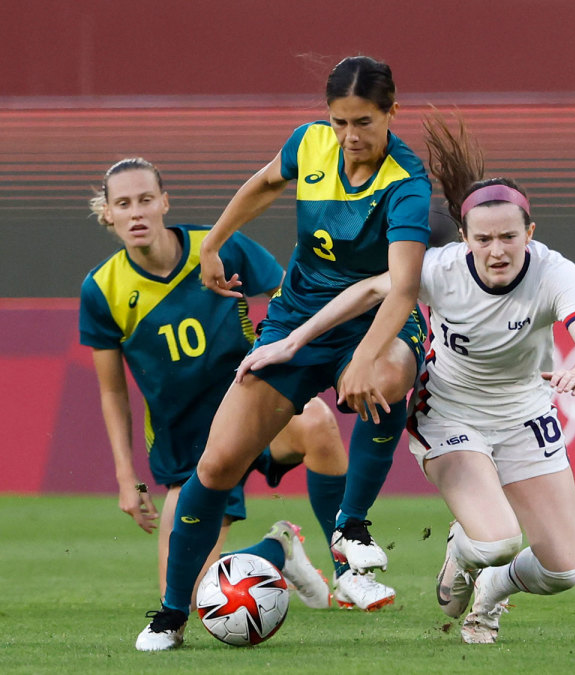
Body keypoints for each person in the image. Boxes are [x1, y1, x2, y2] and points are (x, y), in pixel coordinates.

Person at [239, 110, 575, 645]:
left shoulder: (555, 272)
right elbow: (368, 292)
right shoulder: (440, 268)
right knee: (497, 541)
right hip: (450, 412)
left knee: (562, 571)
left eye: (509, 237)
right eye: (482, 239)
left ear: (529, 232)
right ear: (464, 236)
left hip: (524, 413)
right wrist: (294, 339)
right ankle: (465, 555)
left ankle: (488, 592)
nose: (497, 250)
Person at [134, 55, 432, 651]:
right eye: (340, 121)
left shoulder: (407, 184)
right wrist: (213, 244)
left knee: (388, 378)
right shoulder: (309, 145)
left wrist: (369, 358)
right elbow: (266, 184)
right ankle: (170, 614)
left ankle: (350, 526)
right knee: (217, 466)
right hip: (297, 320)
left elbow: (401, 289)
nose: (351, 137)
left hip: (375, 319)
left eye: (365, 123)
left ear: (393, 114)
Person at [80, 157, 343, 609]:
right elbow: (111, 391)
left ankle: (348, 570)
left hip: (251, 410)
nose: (137, 212)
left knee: (317, 420)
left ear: (165, 202)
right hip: (188, 448)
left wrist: (275, 349)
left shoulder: (219, 247)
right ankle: (278, 551)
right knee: (193, 600)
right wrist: (127, 480)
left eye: (146, 200)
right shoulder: (102, 290)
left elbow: (290, 296)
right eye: (123, 204)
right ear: (108, 213)